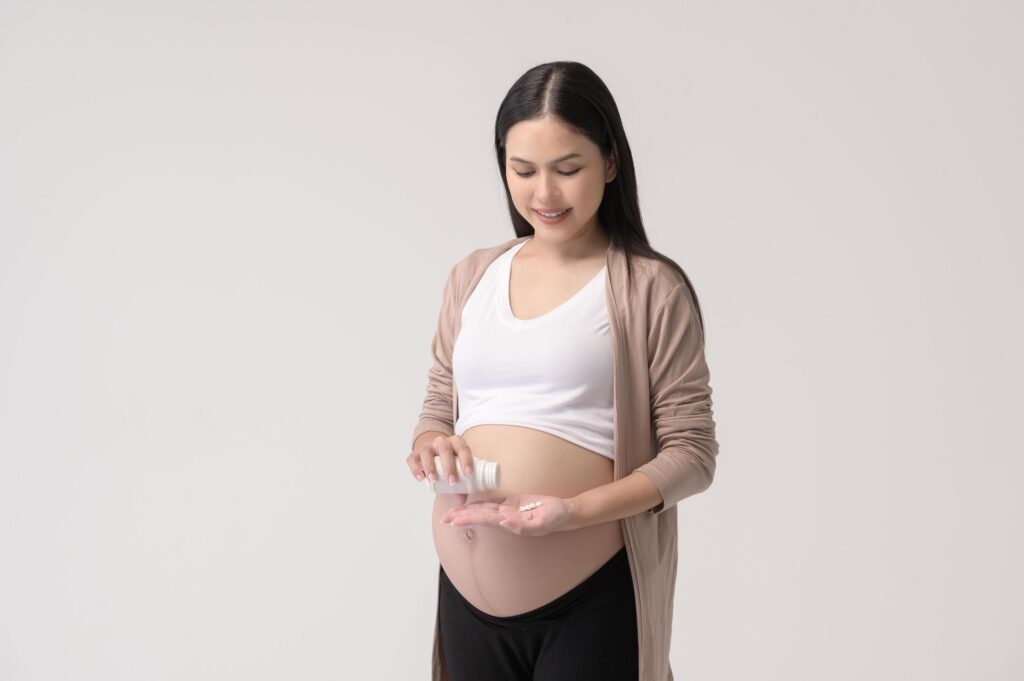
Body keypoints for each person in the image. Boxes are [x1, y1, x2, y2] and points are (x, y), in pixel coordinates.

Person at [407, 61, 720, 681]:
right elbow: (442, 395)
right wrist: (429, 441)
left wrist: (573, 512)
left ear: (610, 163)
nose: (543, 195)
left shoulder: (650, 289)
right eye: (523, 171)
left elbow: (693, 455)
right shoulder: (473, 275)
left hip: (589, 598)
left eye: (567, 169)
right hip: (466, 603)